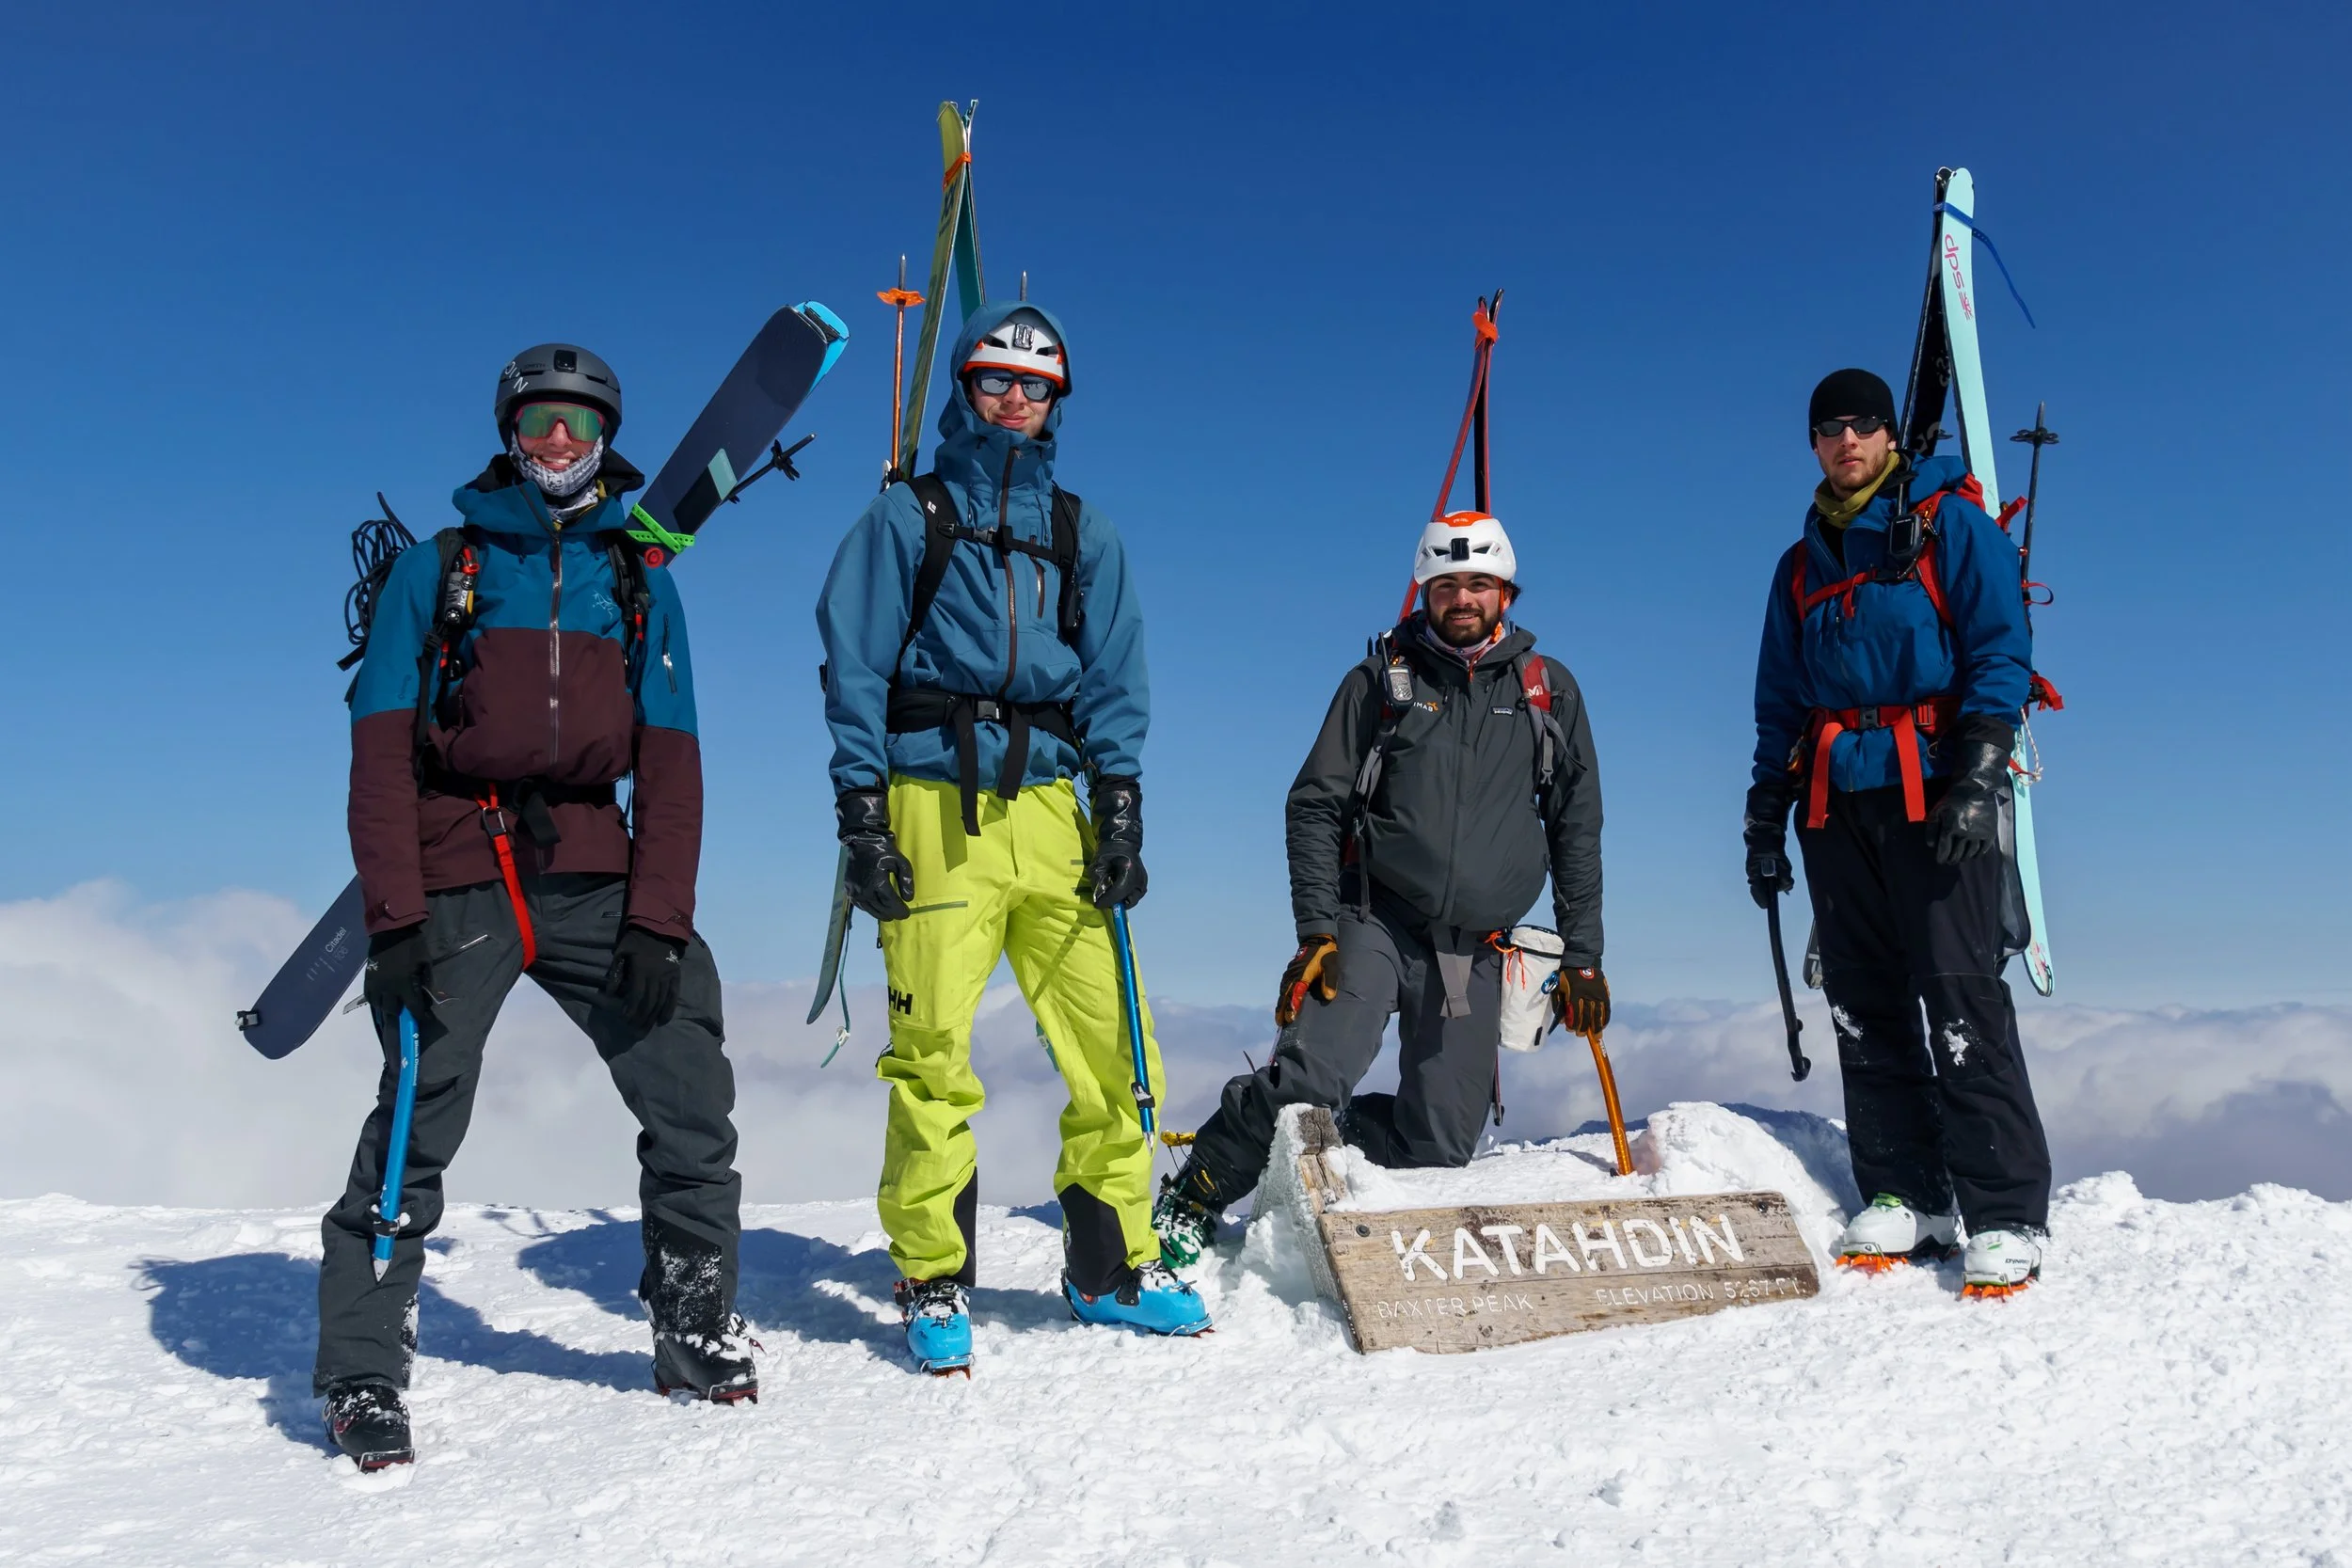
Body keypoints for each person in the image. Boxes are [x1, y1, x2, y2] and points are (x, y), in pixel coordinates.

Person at [317, 344, 751, 1470]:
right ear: (511, 431)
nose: (558, 440)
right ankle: (364, 1370)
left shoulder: (640, 577)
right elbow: (376, 761)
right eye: (539, 420)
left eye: (577, 421)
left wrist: (659, 914)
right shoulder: (438, 565)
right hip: (458, 865)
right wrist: (393, 918)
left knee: (690, 1087)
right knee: (416, 1115)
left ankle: (695, 1315)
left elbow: (674, 759)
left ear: (603, 435)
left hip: (596, 867)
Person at [816, 302, 1208, 1375]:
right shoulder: (907, 518)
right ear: (964, 387)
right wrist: (862, 814)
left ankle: (1109, 1266)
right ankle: (934, 1269)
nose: (1016, 402)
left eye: (1036, 388)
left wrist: (1119, 805)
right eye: (997, 382)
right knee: (933, 1050)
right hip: (933, 803)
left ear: (1056, 403)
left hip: (1051, 807)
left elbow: (1117, 674)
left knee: (1118, 1049)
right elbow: (852, 670)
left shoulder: (1083, 531)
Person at [1154, 513, 1606, 1267]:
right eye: (1446, 584)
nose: (1462, 598)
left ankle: (1337, 1142)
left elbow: (1576, 826)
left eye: (1478, 584)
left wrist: (1584, 956)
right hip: (1374, 919)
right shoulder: (1381, 681)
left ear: (1506, 592)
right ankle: (1197, 1192)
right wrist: (1316, 932)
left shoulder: (1546, 691)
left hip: (1476, 944)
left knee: (1440, 1148)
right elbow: (1315, 802)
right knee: (1308, 1076)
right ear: (1425, 591)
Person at [1743, 367, 2053, 1298]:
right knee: (1863, 1001)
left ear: (1889, 436)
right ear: (1812, 443)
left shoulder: (1948, 525)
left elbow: (2000, 646)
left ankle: (2002, 1210)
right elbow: (1780, 700)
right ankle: (1905, 1189)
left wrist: (1982, 767)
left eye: (1862, 423)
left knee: (1959, 996)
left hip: (1936, 790)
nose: (1845, 439)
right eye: (1828, 427)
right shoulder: (1800, 566)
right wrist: (1765, 808)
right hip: (1837, 802)